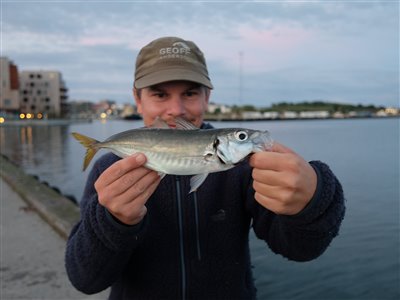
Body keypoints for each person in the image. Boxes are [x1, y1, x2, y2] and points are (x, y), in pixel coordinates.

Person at [65, 36, 345, 300]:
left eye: (189, 93)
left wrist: (313, 200)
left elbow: (300, 249)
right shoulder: (110, 169)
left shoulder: (244, 169)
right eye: (160, 95)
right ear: (137, 99)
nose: (176, 109)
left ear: (207, 97)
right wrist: (112, 221)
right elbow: (85, 280)